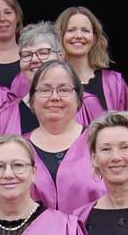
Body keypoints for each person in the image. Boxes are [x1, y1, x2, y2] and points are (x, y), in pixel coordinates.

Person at [26, 60, 105, 212]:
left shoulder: (100, 142)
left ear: (79, 98)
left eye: (64, 90)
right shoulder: (18, 149)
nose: (54, 97)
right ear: (32, 100)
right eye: (45, 90)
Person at [55, 6, 128, 125]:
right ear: (60, 36)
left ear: (94, 39)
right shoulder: (52, 82)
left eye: (85, 30)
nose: (78, 35)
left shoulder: (114, 82)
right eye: (71, 30)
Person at [11, 21, 63, 136]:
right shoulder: (7, 113)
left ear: (60, 56)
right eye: (27, 54)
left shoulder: (85, 103)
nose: (34, 60)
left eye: (43, 53)